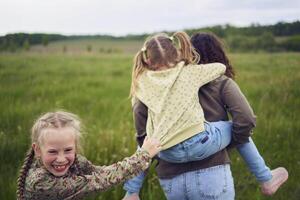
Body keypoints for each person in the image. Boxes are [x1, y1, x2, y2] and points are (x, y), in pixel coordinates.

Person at [123, 32, 288, 200]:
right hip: (211, 170)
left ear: (148, 60)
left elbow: (141, 132)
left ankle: (131, 192)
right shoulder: (203, 77)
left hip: (170, 175)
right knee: (232, 126)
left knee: (149, 139)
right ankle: (265, 177)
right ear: (180, 53)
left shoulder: (145, 84)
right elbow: (245, 120)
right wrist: (229, 142)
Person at [16, 110, 161, 200]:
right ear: (38, 150)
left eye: (67, 150)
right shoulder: (39, 183)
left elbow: (102, 172)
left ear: (75, 146)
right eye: (53, 151)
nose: (61, 159)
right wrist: (143, 156)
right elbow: (99, 181)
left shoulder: (75, 162)